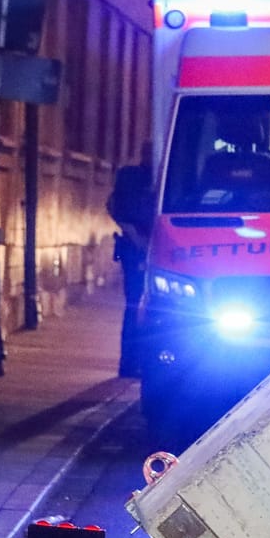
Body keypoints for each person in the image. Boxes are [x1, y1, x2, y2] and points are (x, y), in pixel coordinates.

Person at [108, 148, 154, 378]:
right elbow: (116, 207)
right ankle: (130, 363)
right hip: (136, 250)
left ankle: (135, 363)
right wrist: (137, 239)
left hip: (143, 247)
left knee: (139, 305)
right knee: (135, 304)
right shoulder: (133, 178)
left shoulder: (161, 175)